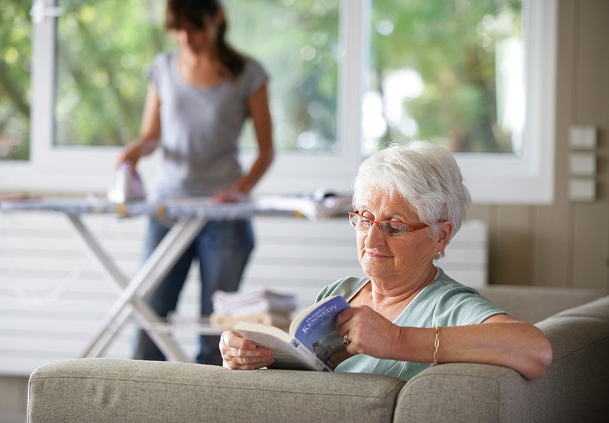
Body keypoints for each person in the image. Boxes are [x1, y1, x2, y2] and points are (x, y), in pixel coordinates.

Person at [220, 141, 552, 381]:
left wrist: (396, 340)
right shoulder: (340, 292)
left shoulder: (448, 306)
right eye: (364, 219)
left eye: (394, 226)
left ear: (441, 235)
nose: (372, 239)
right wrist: (253, 358)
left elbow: (536, 350)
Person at [117, 0, 274, 365]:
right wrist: (134, 152)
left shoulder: (248, 74)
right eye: (178, 30)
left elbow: (266, 151)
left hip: (223, 218)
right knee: (150, 318)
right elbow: (152, 135)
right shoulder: (163, 68)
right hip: (167, 210)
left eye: (195, 28)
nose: (187, 39)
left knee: (215, 329)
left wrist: (238, 192)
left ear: (217, 18)